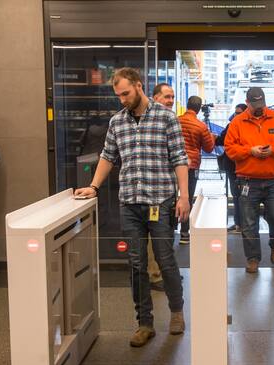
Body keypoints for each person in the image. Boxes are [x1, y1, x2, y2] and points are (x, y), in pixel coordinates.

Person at [75, 67, 190, 347]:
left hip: (160, 201)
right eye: (118, 95)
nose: (122, 99)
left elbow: (179, 158)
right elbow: (107, 156)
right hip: (130, 203)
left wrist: (183, 196)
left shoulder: (166, 118)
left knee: (165, 260)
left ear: (139, 86)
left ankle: (176, 312)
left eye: (126, 93)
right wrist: (94, 186)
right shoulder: (117, 122)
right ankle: (144, 323)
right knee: (137, 265)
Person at [225, 87, 274, 273]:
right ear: (247, 103)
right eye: (255, 104)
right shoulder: (237, 122)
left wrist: (273, 150)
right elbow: (230, 149)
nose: (259, 108)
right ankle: (253, 258)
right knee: (248, 223)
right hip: (248, 180)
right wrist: (250, 151)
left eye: (261, 104)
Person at [145, 83, 177, 291]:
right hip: (151, 193)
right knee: (153, 237)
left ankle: (166, 272)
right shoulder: (149, 123)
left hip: (168, 191)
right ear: (155, 98)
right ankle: (155, 274)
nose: (170, 100)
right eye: (166, 97)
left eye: (172, 97)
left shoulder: (170, 120)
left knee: (165, 233)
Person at [177, 96, 215, 244]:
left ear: (187, 105)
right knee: (187, 198)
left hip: (173, 165)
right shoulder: (200, 126)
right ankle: (184, 233)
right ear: (199, 108)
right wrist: (211, 136)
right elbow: (209, 148)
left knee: (171, 198)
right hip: (191, 166)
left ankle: (167, 229)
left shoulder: (176, 120)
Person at [216, 104, 248, 232]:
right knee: (237, 195)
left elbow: (220, 140)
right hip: (234, 165)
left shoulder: (234, 126)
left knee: (241, 196)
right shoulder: (235, 125)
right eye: (235, 113)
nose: (236, 115)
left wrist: (215, 138)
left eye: (239, 113)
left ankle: (242, 224)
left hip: (242, 166)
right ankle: (240, 224)